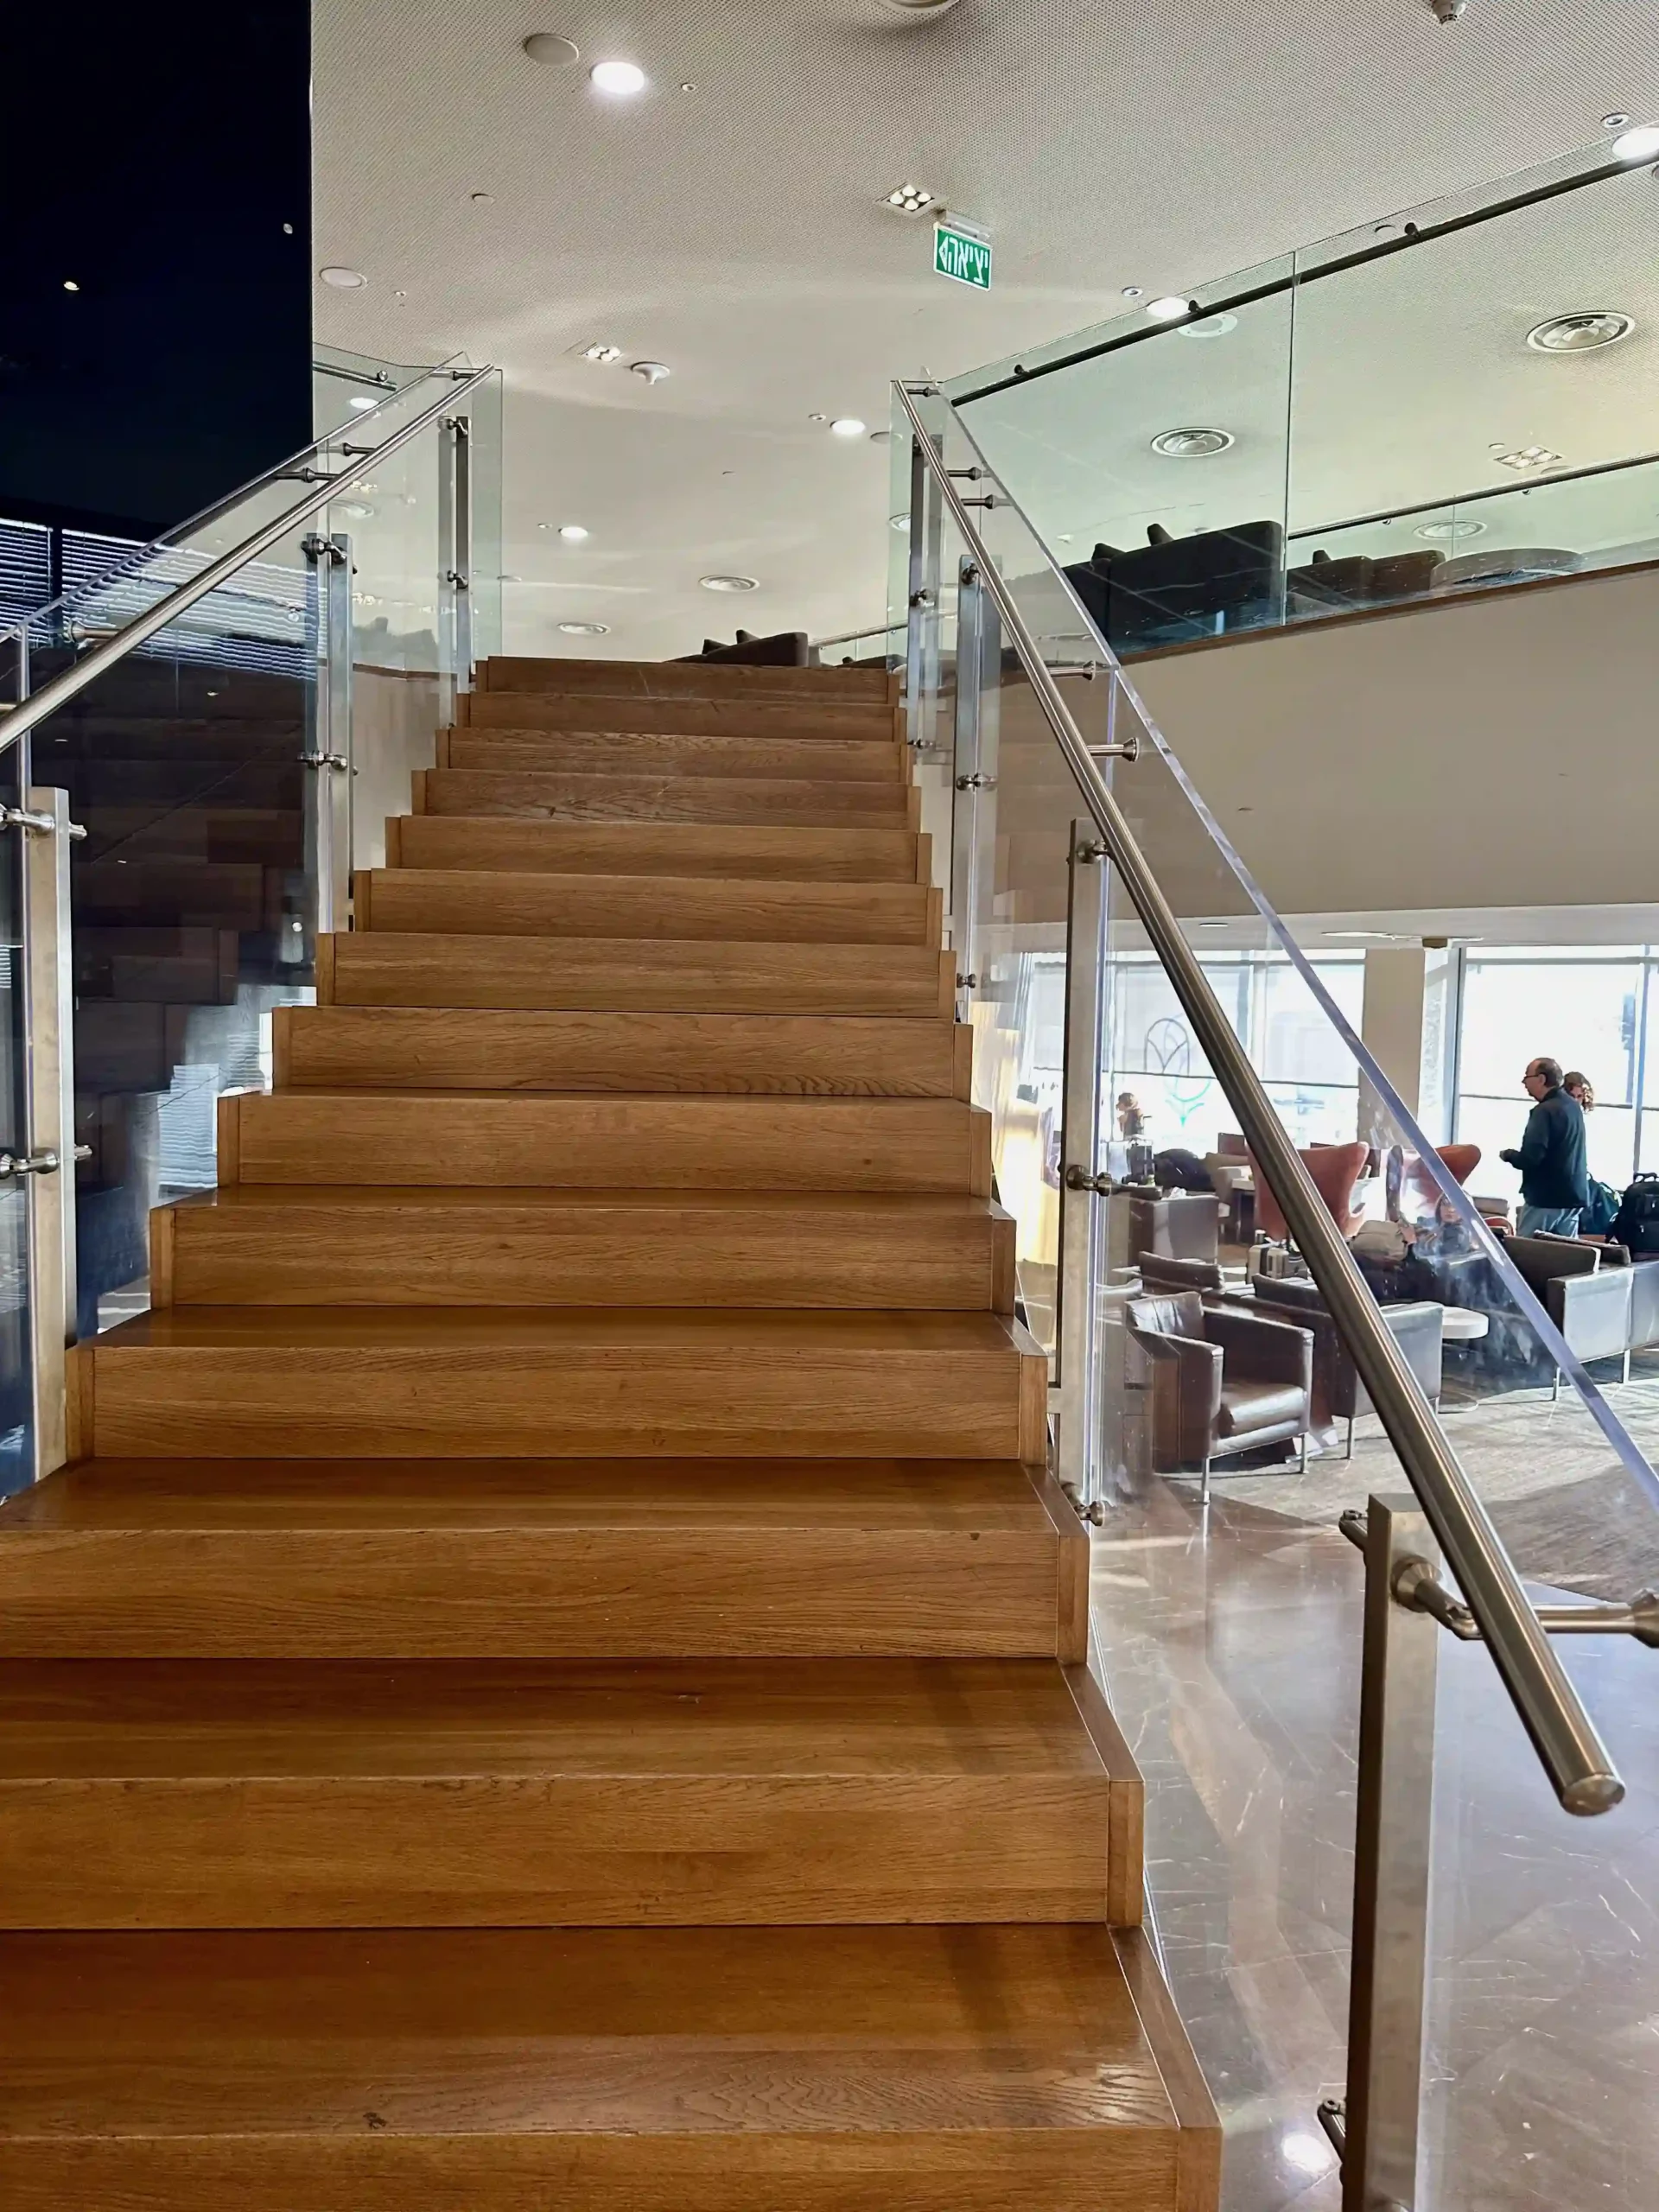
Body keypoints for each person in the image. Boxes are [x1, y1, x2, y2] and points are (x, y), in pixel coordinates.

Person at [1499, 1056, 1587, 1236]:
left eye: (1527, 1077)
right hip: (1573, 1197)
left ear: (1541, 1079)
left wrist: (1508, 1155)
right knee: (1568, 1257)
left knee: (1525, 1253)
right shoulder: (1573, 1107)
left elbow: (1531, 1158)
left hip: (1546, 1199)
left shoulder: (1544, 1111)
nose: (1524, 1082)